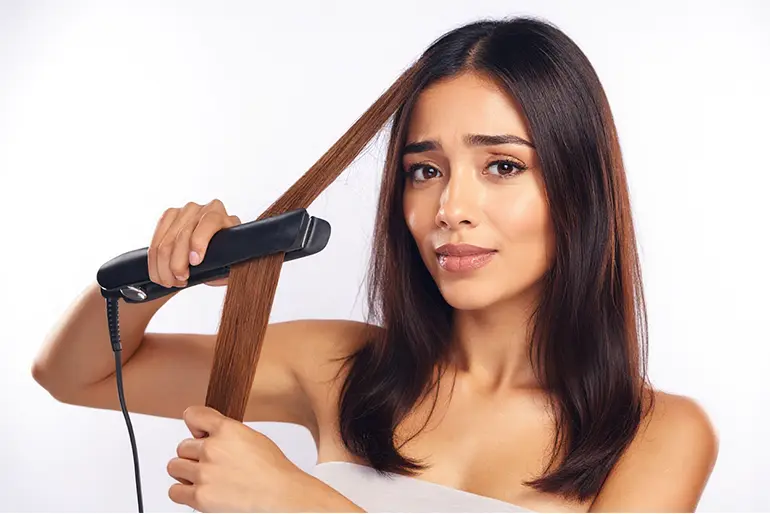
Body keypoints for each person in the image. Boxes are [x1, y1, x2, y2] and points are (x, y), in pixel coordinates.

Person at [31, 16, 718, 513]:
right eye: (424, 170)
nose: (451, 206)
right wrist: (172, 269)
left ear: (579, 189)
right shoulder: (342, 366)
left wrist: (301, 505)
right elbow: (75, 374)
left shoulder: (657, 434)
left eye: (502, 165)